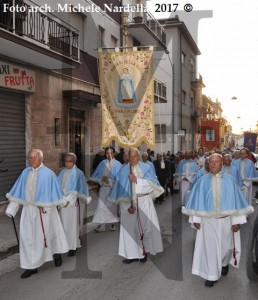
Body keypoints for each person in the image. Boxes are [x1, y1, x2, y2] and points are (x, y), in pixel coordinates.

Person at [182, 154, 254, 287]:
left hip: (226, 221)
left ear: (221, 163)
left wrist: (236, 221)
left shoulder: (231, 181)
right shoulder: (202, 181)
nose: (214, 164)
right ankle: (212, 275)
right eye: (211, 162)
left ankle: (225, 262)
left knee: (226, 247)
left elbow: (236, 201)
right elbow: (196, 202)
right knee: (210, 248)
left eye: (217, 162)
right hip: (208, 221)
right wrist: (196, 219)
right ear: (208, 164)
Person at [5, 149, 69, 278]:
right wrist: (12, 209)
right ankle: (31, 266)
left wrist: (59, 203)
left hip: (46, 212)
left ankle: (56, 254)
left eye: (34, 157)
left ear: (41, 159)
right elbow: (19, 192)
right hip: (28, 211)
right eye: (30, 157)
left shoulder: (49, 174)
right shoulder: (25, 172)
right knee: (28, 238)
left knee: (50, 235)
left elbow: (56, 193)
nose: (32, 160)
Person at [108, 148, 164, 263]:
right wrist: (127, 205)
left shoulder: (146, 168)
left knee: (145, 229)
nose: (133, 159)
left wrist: (137, 180)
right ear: (128, 156)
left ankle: (144, 251)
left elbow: (151, 185)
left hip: (144, 201)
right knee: (130, 230)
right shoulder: (124, 170)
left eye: (135, 156)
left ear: (138, 157)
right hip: (128, 205)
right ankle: (131, 254)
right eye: (131, 156)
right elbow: (121, 190)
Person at [58, 153, 92, 257]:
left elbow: (79, 189)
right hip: (62, 203)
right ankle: (63, 245)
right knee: (63, 225)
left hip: (72, 203)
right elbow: (57, 186)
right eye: (66, 161)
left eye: (70, 161)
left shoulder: (79, 173)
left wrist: (69, 199)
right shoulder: (62, 172)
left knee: (72, 225)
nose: (68, 163)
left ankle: (73, 246)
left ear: (74, 162)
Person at [90, 146, 122, 232]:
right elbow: (98, 176)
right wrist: (102, 180)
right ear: (105, 154)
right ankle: (102, 225)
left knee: (112, 207)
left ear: (114, 154)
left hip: (112, 190)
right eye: (107, 153)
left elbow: (120, 180)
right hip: (103, 188)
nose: (109, 155)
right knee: (101, 206)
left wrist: (110, 181)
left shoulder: (118, 164)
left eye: (111, 153)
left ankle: (112, 223)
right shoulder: (102, 163)